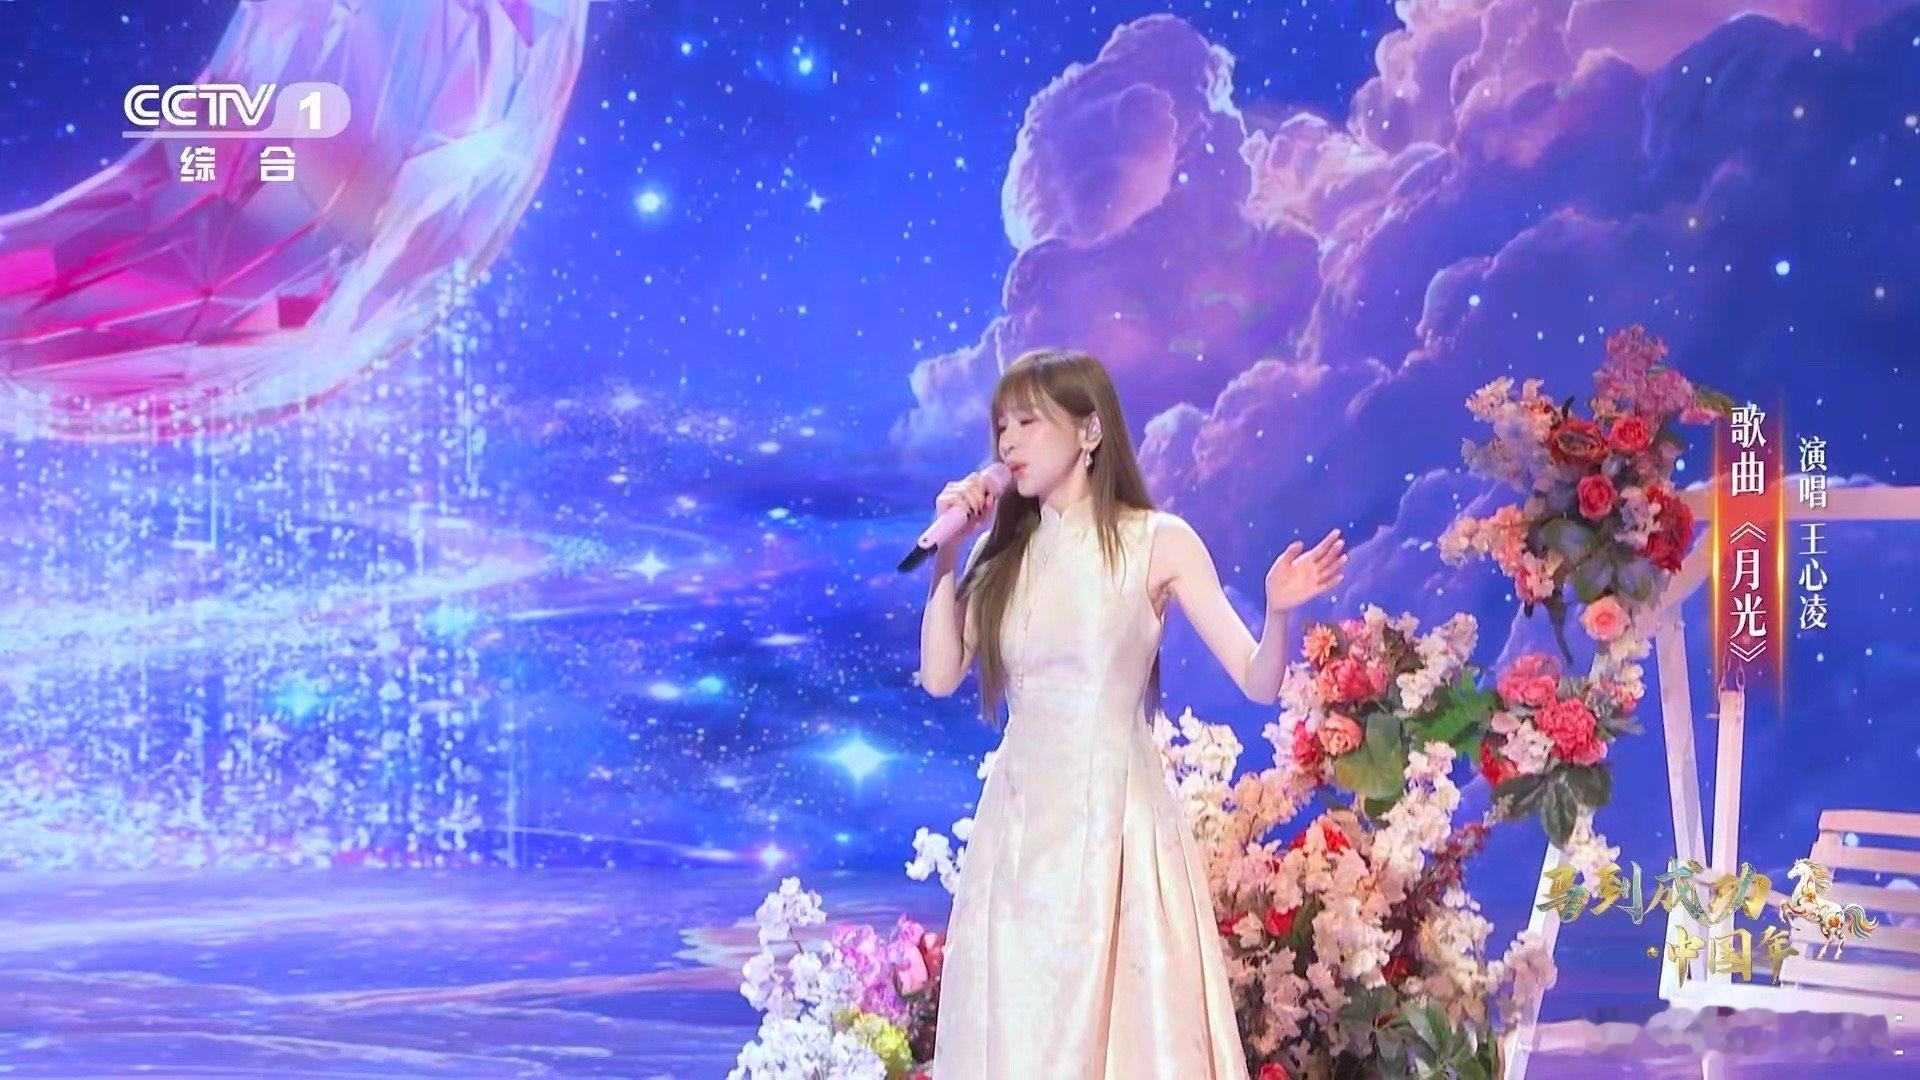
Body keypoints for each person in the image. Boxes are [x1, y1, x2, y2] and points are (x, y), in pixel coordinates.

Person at [915, 348, 1346, 1078]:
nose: (1008, 442)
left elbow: (1257, 680)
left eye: (1028, 422)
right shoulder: (1002, 551)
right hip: (1017, 833)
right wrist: (948, 555)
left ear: (1090, 431)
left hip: (1115, 822)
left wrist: (1277, 612)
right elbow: (938, 676)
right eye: (1001, 427)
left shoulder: (1157, 540)